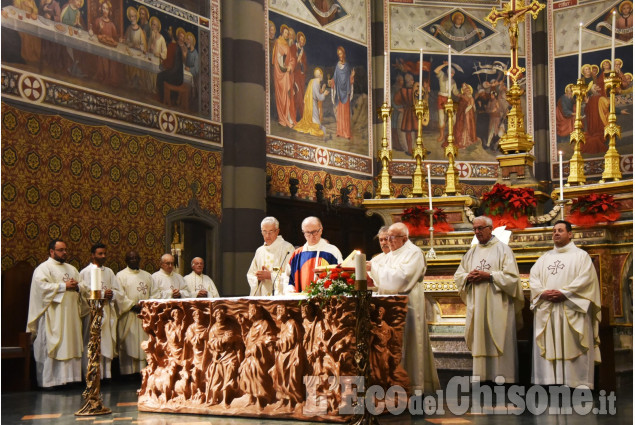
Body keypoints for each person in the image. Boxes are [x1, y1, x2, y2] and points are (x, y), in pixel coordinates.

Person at [366, 222, 440, 394]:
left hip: (408, 308)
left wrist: (375, 269)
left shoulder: (414, 253)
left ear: (404, 238)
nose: (388, 241)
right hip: (389, 307)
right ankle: (391, 385)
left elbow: (401, 280)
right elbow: (381, 279)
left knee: (409, 345)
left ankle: (412, 387)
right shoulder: (392, 254)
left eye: (392, 237)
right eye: (386, 237)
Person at [529, 220, 602, 388]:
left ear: (570, 234)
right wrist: (543, 293)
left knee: (573, 344)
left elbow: (586, 280)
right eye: (554, 230)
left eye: (560, 230)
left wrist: (565, 293)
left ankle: (575, 384)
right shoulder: (544, 258)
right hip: (549, 308)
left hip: (572, 308)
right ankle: (550, 383)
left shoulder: (581, 256)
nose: (556, 233)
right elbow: (533, 279)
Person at [454, 216, 525, 384]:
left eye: (480, 228)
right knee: (481, 339)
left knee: (499, 337)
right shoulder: (471, 252)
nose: (477, 232)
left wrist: (490, 276)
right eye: (475, 229)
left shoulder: (503, 250)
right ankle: (482, 379)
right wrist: (467, 277)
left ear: (490, 228)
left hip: (498, 304)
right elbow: (459, 275)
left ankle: (504, 379)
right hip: (478, 304)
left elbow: (512, 278)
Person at [27, 240, 83, 387]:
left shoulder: (72, 269)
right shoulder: (43, 269)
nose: (64, 253)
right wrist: (64, 286)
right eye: (60, 250)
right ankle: (51, 382)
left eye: (65, 250)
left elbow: (82, 287)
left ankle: (71, 379)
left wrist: (77, 287)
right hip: (53, 315)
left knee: (70, 343)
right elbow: (41, 289)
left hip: (70, 315)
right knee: (55, 346)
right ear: (51, 251)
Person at [79, 243, 123, 379]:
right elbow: (84, 292)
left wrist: (112, 294)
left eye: (104, 253)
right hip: (92, 312)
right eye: (100, 254)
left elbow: (118, 291)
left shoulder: (109, 272)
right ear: (92, 255)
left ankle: (106, 374)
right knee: (92, 342)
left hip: (107, 311)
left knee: (106, 342)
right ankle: (92, 375)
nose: (103, 256)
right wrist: (103, 293)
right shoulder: (85, 272)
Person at [116, 250, 152, 375]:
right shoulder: (120, 276)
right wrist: (132, 305)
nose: (134, 260)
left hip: (144, 315)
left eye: (136, 258)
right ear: (126, 260)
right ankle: (128, 373)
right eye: (131, 258)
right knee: (129, 342)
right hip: (129, 315)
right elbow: (119, 295)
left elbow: (154, 293)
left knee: (143, 342)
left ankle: (142, 371)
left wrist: (146, 305)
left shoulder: (147, 276)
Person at [286, 216, 343, 293]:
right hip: (301, 301)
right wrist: (290, 288)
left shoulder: (332, 251)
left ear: (321, 230)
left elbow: (340, 276)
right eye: (308, 233)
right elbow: (289, 279)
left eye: (314, 232)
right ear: (303, 233)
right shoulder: (297, 254)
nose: (312, 236)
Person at [247, 216, 295, 296]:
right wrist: (257, 278)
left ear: (277, 231)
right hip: (263, 295)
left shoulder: (287, 248)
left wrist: (271, 276)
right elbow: (251, 274)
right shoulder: (260, 251)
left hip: (279, 297)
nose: (267, 235)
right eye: (264, 231)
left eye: (271, 231)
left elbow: (291, 275)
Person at [293, 67, 331, 137]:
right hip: (312, 105)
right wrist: (324, 94)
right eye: (321, 74)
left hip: (310, 104)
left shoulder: (312, 81)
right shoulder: (316, 83)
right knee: (318, 127)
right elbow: (318, 97)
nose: (322, 76)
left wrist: (322, 90)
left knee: (316, 123)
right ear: (320, 75)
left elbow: (316, 93)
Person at [272, 25, 296, 128]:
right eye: (285, 33)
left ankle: (288, 116)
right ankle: (283, 118)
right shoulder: (278, 42)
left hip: (286, 72)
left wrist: (290, 66)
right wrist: (284, 67)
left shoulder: (286, 44)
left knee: (288, 94)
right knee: (282, 95)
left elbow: (291, 59)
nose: (287, 34)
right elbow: (278, 58)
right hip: (279, 72)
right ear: (282, 32)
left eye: (288, 33)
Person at [329, 46, 355, 139]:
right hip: (339, 92)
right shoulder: (337, 65)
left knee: (346, 113)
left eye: (341, 53)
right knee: (340, 112)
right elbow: (335, 77)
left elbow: (348, 78)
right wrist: (331, 82)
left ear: (344, 54)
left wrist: (352, 77)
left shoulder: (347, 66)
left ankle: (347, 133)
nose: (340, 55)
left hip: (346, 92)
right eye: (338, 54)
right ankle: (339, 131)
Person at [93, 0, 121, 85]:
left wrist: (119, 40)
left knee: (112, 58)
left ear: (109, 11)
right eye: (103, 8)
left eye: (107, 9)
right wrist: (100, 29)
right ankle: (101, 76)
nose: (105, 10)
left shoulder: (112, 25)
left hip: (110, 48)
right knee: (102, 56)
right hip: (100, 46)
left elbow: (115, 38)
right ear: (101, 9)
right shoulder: (98, 20)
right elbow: (94, 33)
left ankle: (110, 78)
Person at [434, 62, 459, 143]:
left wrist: (462, 95)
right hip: (441, 99)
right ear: (448, 72)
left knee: (451, 118)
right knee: (441, 119)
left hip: (448, 100)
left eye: (453, 73)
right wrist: (444, 65)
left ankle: (449, 134)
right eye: (451, 73)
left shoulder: (453, 82)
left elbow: (455, 92)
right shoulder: (442, 76)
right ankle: (441, 135)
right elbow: (436, 70)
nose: (452, 74)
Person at [393, 73, 417, 155]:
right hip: (413, 112)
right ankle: (414, 149)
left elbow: (396, 100)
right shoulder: (415, 90)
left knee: (409, 131)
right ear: (409, 81)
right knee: (414, 130)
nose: (413, 81)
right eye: (412, 80)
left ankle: (411, 149)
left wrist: (402, 105)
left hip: (407, 112)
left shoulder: (401, 91)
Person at [453, 82, 477, 149]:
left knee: (468, 126)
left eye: (468, 90)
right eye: (463, 87)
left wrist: (467, 110)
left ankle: (467, 140)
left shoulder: (471, 97)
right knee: (463, 126)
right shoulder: (462, 96)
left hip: (468, 114)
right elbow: (460, 105)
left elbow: (473, 106)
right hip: (463, 113)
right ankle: (462, 141)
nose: (467, 91)